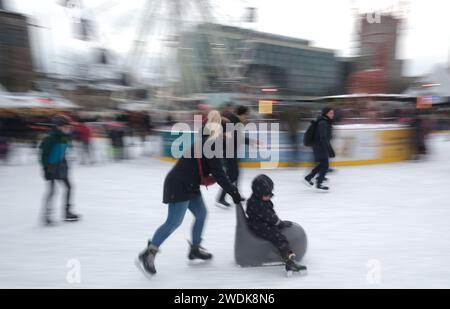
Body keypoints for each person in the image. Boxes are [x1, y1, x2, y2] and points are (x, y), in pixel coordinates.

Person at [136, 111, 242, 276]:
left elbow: (216, 171)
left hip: (190, 184)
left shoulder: (212, 142)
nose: (232, 135)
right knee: (174, 222)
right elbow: (219, 173)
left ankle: (195, 249)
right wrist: (232, 191)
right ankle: (148, 253)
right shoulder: (212, 143)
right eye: (230, 131)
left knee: (201, 214)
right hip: (179, 184)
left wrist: (230, 185)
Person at [246, 174, 307, 273]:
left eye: (270, 193)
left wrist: (279, 222)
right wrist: (280, 223)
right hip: (260, 226)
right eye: (267, 194)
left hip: (259, 223)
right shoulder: (257, 204)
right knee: (280, 239)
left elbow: (269, 215)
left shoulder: (257, 199)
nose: (269, 196)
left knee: (278, 234)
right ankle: (290, 262)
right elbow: (270, 217)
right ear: (258, 193)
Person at [39, 115, 81, 226]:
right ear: (58, 127)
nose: (68, 129)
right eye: (66, 127)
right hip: (51, 166)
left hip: (62, 166)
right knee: (52, 191)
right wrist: (46, 168)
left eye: (69, 127)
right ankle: (47, 215)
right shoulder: (50, 138)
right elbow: (44, 155)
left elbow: (62, 151)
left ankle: (67, 212)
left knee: (69, 187)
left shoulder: (64, 137)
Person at [216, 105, 252, 209]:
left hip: (229, 150)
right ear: (242, 114)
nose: (247, 118)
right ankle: (221, 198)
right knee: (232, 175)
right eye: (246, 116)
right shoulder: (234, 121)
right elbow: (237, 138)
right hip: (228, 151)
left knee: (235, 174)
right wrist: (250, 141)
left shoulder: (233, 120)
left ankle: (235, 194)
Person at [304, 107, 335, 191]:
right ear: (326, 113)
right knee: (325, 165)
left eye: (333, 113)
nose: (333, 115)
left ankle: (309, 177)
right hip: (320, 146)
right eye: (331, 113)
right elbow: (323, 137)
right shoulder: (323, 123)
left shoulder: (325, 121)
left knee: (322, 164)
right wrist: (329, 149)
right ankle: (319, 183)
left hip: (320, 145)